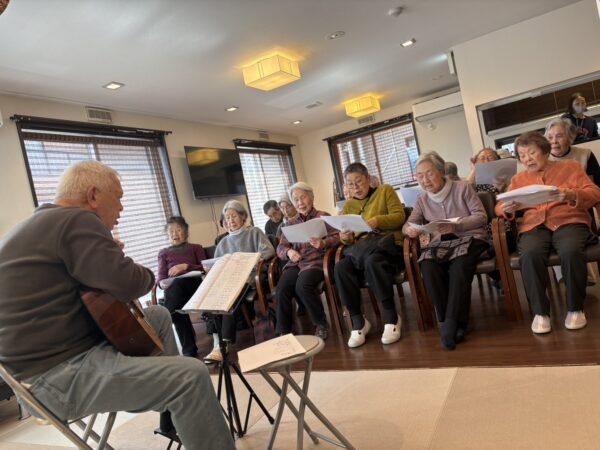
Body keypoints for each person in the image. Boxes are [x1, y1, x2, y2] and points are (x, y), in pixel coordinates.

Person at [0, 161, 234, 450]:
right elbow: (132, 283)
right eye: (119, 197)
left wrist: (110, 260)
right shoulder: (78, 220)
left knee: (157, 315)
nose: (122, 208)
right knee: (191, 376)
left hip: (34, 377)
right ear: (93, 196)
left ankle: (172, 414)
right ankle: (178, 396)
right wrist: (127, 265)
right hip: (56, 379)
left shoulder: (41, 224)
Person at [495, 131, 600, 334]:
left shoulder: (570, 167)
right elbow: (499, 207)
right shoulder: (518, 179)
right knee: (530, 253)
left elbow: (595, 193)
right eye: (522, 155)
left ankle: (576, 308)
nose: (527, 159)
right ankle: (540, 312)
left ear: (544, 150)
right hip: (534, 225)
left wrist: (572, 194)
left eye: (531, 152)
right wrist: (507, 208)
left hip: (569, 220)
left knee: (570, 250)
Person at [403, 152, 489, 351]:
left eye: (429, 174)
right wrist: (410, 230)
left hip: (470, 237)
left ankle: (452, 323)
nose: (425, 180)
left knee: (460, 266)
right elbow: (408, 224)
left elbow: (481, 217)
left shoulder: (462, 188)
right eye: (420, 176)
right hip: (442, 243)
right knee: (427, 265)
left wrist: (457, 226)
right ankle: (447, 319)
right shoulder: (422, 200)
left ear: (441, 172)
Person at [334, 162, 405, 348]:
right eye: (350, 184)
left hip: (387, 246)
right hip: (362, 249)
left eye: (359, 181)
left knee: (373, 261)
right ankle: (358, 321)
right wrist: (345, 237)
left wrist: (377, 221)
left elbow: (399, 217)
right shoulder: (349, 205)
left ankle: (391, 316)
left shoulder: (385, 190)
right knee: (340, 267)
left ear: (368, 179)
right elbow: (349, 239)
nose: (355, 187)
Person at [204, 200, 275, 363]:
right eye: (227, 218)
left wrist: (250, 261)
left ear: (243, 216)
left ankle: (224, 344)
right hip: (228, 280)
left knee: (229, 298)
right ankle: (216, 344)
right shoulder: (223, 242)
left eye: (234, 216)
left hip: (248, 278)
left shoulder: (254, 232)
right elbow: (218, 263)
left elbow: (268, 250)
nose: (231, 220)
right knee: (211, 297)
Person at [275, 182, 340, 340]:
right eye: (296, 200)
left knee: (303, 286)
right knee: (281, 288)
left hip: (316, 261)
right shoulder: (290, 223)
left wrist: (323, 242)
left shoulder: (323, 217)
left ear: (311, 197)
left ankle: (321, 323)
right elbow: (280, 247)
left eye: (303, 198)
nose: (300, 203)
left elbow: (338, 236)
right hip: (296, 263)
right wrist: (289, 252)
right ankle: (284, 331)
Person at [157, 216, 207, 357]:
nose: (175, 234)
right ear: (167, 235)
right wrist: (162, 283)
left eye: (178, 230)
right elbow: (161, 277)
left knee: (176, 293)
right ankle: (189, 351)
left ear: (186, 232)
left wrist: (186, 266)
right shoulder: (163, 253)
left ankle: (168, 317)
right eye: (171, 231)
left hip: (195, 287)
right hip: (176, 292)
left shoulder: (196, 248)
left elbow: (204, 268)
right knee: (176, 302)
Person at [546, 117, 600, 186]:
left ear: (570, 138)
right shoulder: (542, 159)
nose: (554, 141)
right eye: (550, 137)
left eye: (559, 136)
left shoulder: (585, 154)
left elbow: (595, 185)